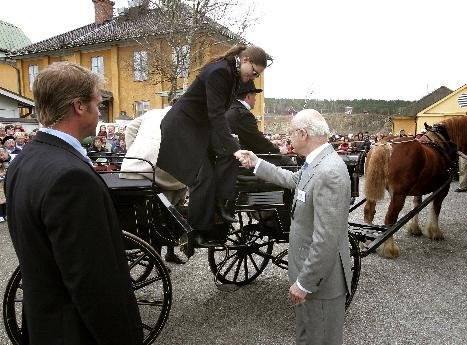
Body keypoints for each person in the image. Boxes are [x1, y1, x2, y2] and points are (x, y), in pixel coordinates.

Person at [5, 61, 143, 344]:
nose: (100, 110)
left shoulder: (25, 161)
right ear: (79, 106)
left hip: (44, 322)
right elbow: (92, 280)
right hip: (75, 331)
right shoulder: (70, 177)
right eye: (97, 102)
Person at [236, 109, 353, 345]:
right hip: (312, 279)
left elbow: (326, 239)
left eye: (291, 133)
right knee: (307, 336)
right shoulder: (317, 162)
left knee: (319, 339)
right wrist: (256, 162)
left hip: (320, 284)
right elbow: (292, 180)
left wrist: (304, 283)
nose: (289, 138)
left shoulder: (329, 171)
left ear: (303, 134)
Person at [157, 44, 271, 245]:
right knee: (203, 175)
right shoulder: (220, 71)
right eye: (254, 72)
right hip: (182, 125)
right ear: (245, 60)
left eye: (257, 75)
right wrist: (236, 149)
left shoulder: (234, 74)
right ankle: (197, 232)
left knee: (228, 155)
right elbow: (216, 114)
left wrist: (233, 149)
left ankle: (221, 205)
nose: (254, 77)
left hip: (199, 126)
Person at [120, 105, 188, 263]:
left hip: (132, 166)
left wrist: (133, 153)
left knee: (152, 208)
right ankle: (166, 249)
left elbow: (130, 128)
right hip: (158, 168)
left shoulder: (152, 112)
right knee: (174, 200)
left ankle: (160, 247)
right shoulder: (186, 113)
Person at [226, 80, 287, 154]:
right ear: (248, 96)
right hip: (242, 159)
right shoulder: (242, 114)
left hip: (233, 155)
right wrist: (279, 151)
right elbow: (258, 142)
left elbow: (251, 137)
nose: (255, 99)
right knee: (287, 161)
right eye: (254, 95)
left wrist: (270, 141)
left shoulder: (230, 109)